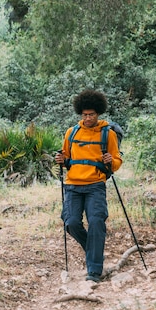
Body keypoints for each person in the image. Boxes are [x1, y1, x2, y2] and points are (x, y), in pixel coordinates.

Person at [54, 89, 122, 282]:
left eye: (91, 114)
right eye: (84, 114)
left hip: (95, 185)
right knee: (71, 223)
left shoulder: (107, 134)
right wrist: (61, 159)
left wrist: (110, 160)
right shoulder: (72, 132)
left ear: (98, 113)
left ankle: (94, 271)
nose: (88, 118)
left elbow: (116, 161)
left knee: (96, 222)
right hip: (73, 186)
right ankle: (94, 252)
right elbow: (67, 158)